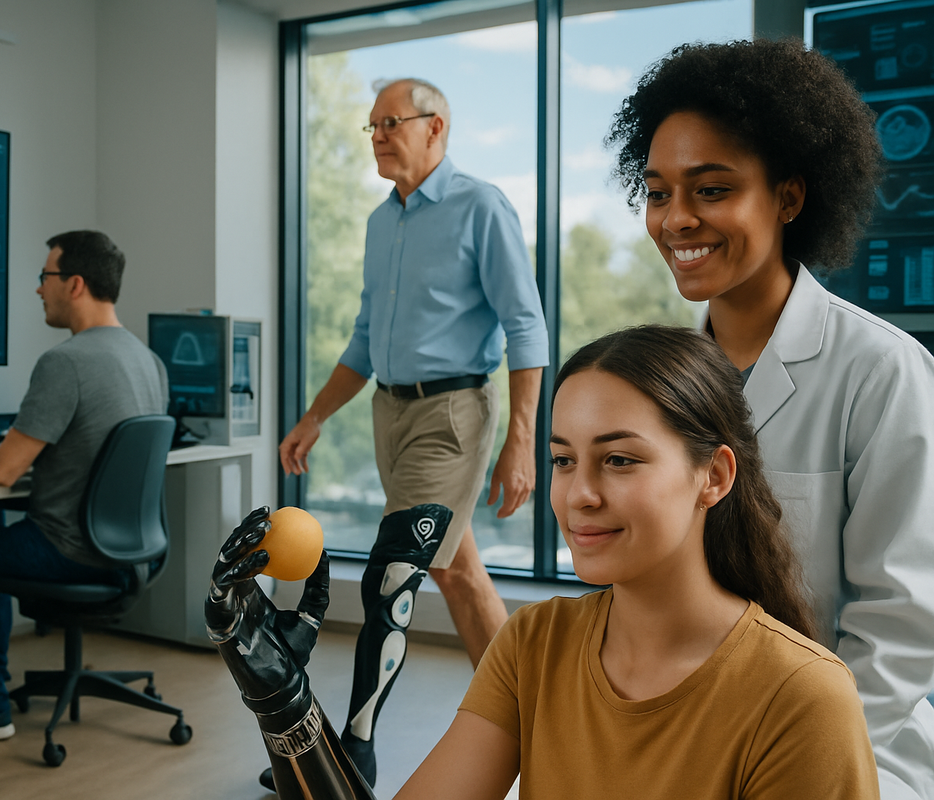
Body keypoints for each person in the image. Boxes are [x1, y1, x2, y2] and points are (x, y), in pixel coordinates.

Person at [209, 325, 879, 799]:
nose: (579, 494)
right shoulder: (535, 645)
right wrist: (284, 706)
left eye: (619, 459)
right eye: (563, 460)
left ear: (714, 476)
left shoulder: (803, 700)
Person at [606, 39, 934, 799]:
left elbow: (903, 622)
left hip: (848, 746)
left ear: (788, 198)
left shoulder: (881, 371)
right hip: (690, 728)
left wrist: (795, 754)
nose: (676, 219)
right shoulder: (665, 380)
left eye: (711, 190)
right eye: (657, 193)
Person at [275, 77, 548, 787]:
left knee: (392, 576)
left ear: (437, 128)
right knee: (456, 571)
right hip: (389, 413)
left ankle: (348, 756)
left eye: (390, 122)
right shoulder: (380, 222)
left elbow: (525, 323)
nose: (378, 136)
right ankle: (538, 721)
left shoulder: (478, 206)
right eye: (372, 126)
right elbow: (364, 340)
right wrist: (312, 419)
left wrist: (522, 440)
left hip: (452, 414)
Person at [0, 230, 168, 741]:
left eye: (43, 277)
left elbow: (3, 472)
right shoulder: (147, 361)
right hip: (132, 550)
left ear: (73, 284)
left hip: (67, 546)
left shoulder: (65, 362)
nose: (36, 290)